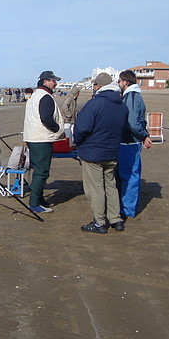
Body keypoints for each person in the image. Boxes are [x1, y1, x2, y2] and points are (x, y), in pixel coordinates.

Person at [73, 73, 128, 233]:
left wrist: (79, 142)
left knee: (95, 188)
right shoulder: (121, 105)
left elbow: (81, 128)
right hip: (111, 151)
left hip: (93, 153)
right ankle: (115, 219)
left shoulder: (94, 104)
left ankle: (99, 222)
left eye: (94, 85)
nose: (93, 88)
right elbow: (123, 128)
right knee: (110, 185)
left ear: (99, 86)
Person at [22, 71, 64, 214]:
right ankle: (34, 203)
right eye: (53, 81)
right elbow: (46, 118)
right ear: (45, 81)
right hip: (40, 139)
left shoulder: (35, 95)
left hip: (33, 138)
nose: (55, 83)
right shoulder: (45, 96)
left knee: (38, 170)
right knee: (41, 171)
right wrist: (57, 128)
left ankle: (39, 198)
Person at [117, 69, 153, 218]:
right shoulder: (131, 96)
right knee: (127, 176)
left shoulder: (132, 97)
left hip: (129, 143)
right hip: (127, 143)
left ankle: (127, 209)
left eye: (119, 81)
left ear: (126, 82)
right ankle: (125, 207)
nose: (118, 84)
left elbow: (132, 122)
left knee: (130, 176)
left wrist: (143, 136)